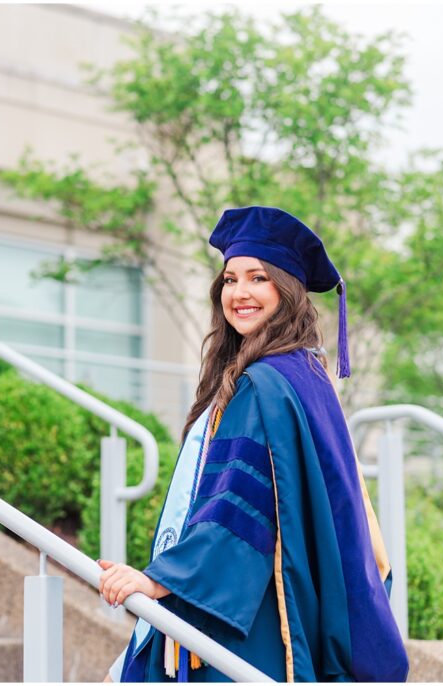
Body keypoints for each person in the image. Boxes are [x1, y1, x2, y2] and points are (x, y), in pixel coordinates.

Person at [98, 206, 409, 683]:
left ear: (286, 291)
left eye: (257, 278)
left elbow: (239, 506)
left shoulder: (263, 383)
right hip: (284, 594)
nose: (239, 293)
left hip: (254, 612)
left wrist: (163, 579)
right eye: (229, 279)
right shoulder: (305, 375)